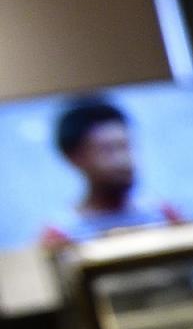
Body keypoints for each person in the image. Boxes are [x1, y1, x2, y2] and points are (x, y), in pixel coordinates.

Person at [41, 97, 184, 249]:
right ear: (74, 157)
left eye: (125, 146)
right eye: (108, 150)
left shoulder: (165, 215)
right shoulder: (61, 235)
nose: (123, 160)